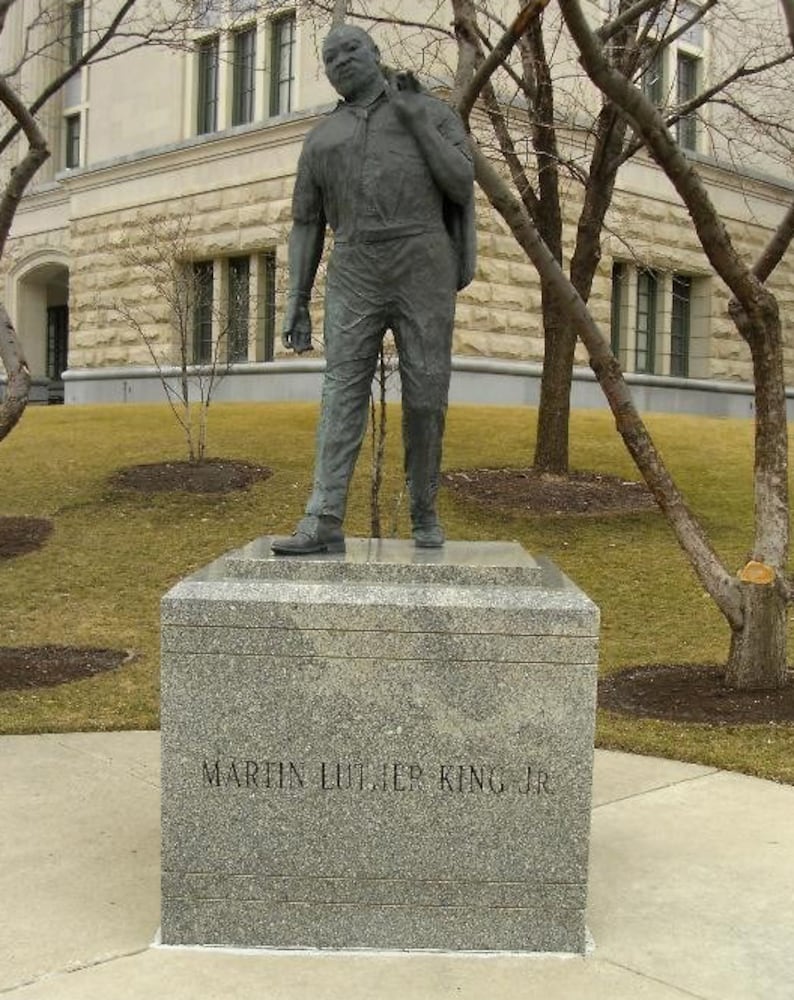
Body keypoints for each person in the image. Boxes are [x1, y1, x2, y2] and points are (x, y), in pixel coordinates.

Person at [271, 23, 476, 556]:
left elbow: (460, 182)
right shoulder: (321, 138)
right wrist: (296, 299)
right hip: (355, 263)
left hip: (421, 260)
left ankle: (424, 512)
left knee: (427, 394)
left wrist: (416, 120)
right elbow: (305, 223)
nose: (342, 61)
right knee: (341, 392)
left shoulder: (429, 111)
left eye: (352, 50)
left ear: (376, 53)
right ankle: (323, 516)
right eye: (330, 57)